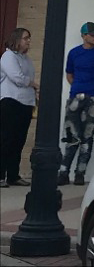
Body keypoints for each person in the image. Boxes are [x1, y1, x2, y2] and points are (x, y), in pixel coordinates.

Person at [58, 22, 94, 186]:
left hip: (93, 98)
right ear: (83, 36)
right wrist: (78, 89)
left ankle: (80, 173)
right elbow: (69, 74)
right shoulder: (74, 53)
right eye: (92, 34)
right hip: (76, 97)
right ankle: (63, 172)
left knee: (87, 136)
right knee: (71, 135)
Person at [0, 28, 38, 187]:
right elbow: (16, 77)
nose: (28, 41)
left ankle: (13, 175)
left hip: (26, 103)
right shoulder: (8, 56)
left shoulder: (27, 59)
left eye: (29, 38)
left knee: (19, 140)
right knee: (6, 139)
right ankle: (1, 174)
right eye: (25, 38)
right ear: (17, 40)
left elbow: (28, 78)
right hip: (11, 100)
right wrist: (32, 83)